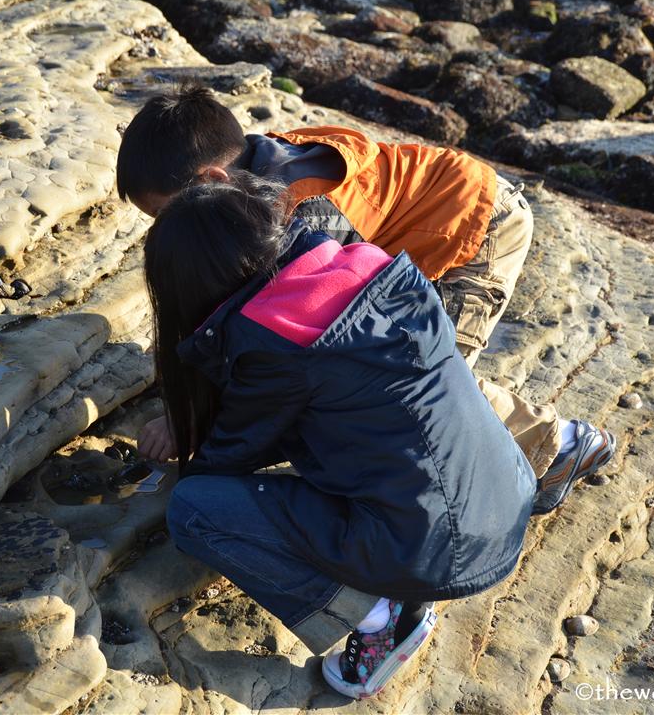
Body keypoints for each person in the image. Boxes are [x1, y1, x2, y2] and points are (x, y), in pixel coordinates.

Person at [121, 84, 614, 515]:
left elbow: (308, 329)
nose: (161, 231)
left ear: (211, 181)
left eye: (163, 215)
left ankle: (560, 446)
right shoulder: (248, 187)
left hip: (477, 223)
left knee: (422, 371)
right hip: (414, 230)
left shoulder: (302, 209)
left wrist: (193, 424)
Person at [144, 174, 536, 698]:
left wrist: (182, 455)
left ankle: (381, 618)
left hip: (439, 547)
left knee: (193, 508)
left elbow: (230, 457)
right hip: (505, 497)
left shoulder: (277, 343)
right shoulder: (366, 264)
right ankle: (404, 575)